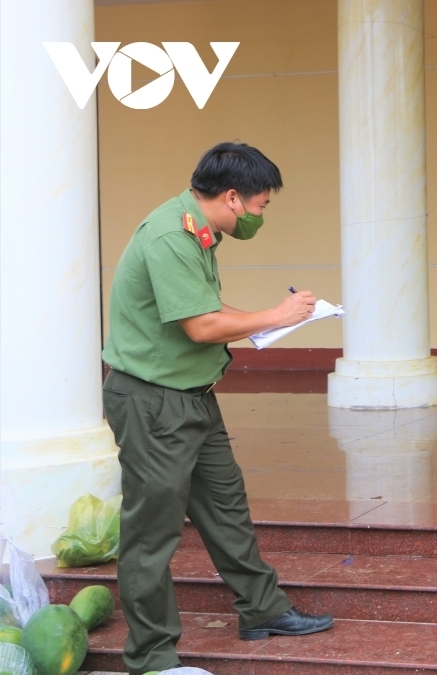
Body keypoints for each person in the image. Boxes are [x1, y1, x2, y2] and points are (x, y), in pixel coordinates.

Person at [101, 142, 333, 674]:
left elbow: (206, 305)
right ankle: (152, 657)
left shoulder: (196, 230)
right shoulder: (170, 236)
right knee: (151, 534)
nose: (258, 218)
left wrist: (271, 321)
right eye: (259, 208)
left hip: (193, 399)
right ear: (232, 197)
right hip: (154, 404)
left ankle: (263, 610)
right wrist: (275, 312)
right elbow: (202, 326)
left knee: (227, 510)